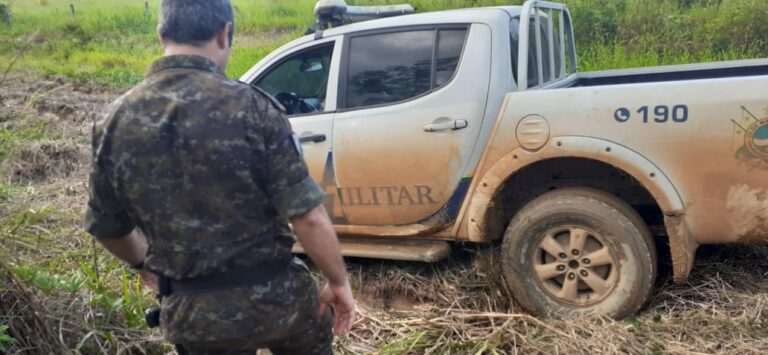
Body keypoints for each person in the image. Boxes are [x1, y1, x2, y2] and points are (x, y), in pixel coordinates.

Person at [83, 0, 356, 353]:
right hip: (279, 302)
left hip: (195, 316)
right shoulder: (254, 108)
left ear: (161, 35)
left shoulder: (113, 122)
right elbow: (308, 216)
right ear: (225, 33)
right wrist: (338, 282)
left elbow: (107, 228)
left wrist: (142, 264)